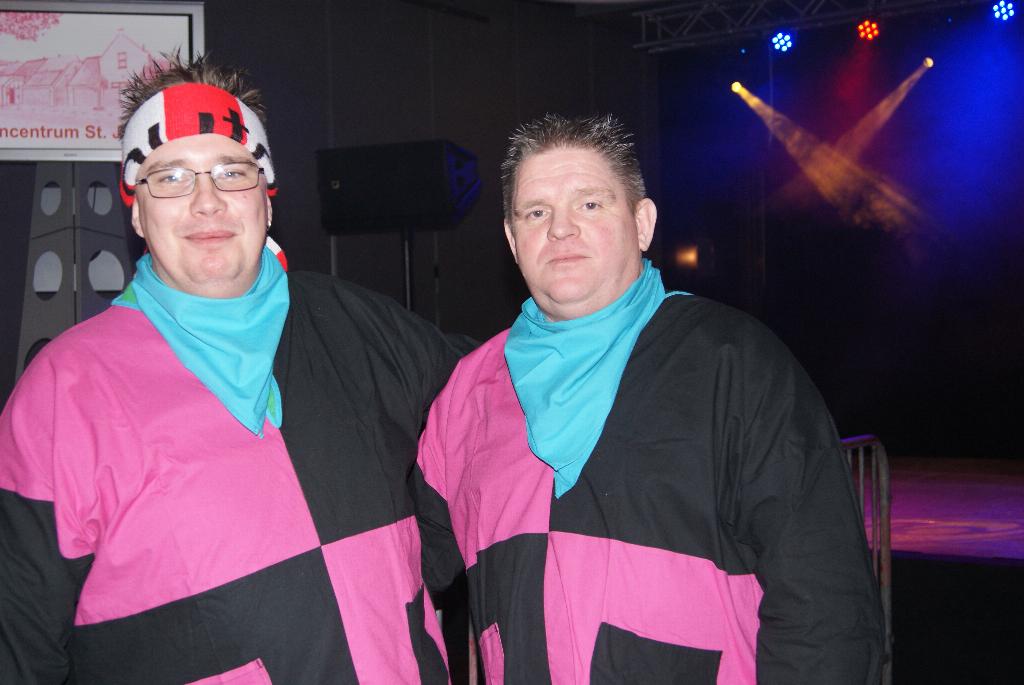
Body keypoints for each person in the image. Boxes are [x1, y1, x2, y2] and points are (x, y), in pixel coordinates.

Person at [0, 54, 466, 683]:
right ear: (135, 211)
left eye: (231, 172)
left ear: (266, 198)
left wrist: (418, 566)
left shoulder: (358, 324)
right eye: (171, 177)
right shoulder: (65, 392)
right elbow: (19, 646)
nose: (207, 201)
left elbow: (491, 410)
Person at [412, 114, 885, 683]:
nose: (560, 230)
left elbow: (826, 606)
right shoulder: (469, 393)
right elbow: (406, 563)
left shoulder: (733, 362)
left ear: (642, 224)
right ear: (513, 241)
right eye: (536, 213)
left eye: (590, 204)